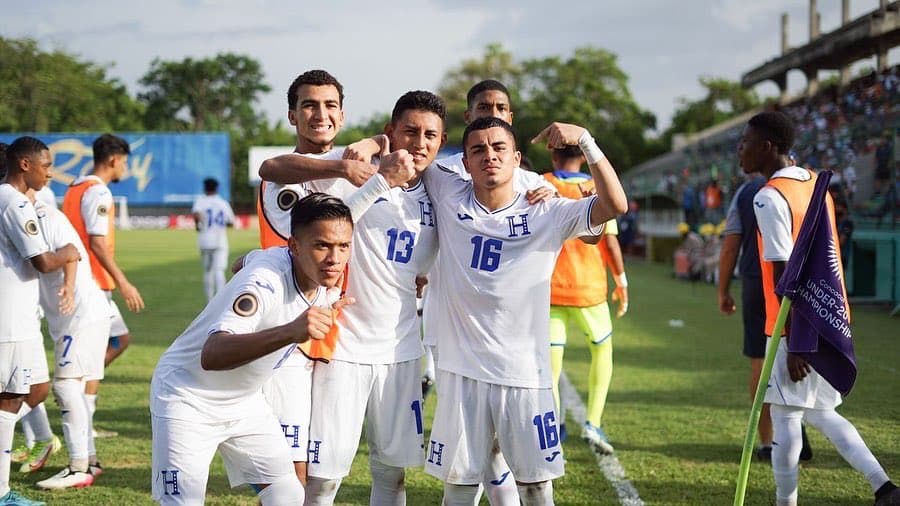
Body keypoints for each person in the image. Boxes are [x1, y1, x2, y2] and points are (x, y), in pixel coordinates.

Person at [422, 117, 627, 505]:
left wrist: (586, 140)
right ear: (463, 163)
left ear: (516, 158)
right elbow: (408, 149)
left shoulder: (546, 209)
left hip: (526, 377)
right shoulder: (446, 190)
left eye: (499, 148)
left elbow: (615, 205)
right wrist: (373, 143)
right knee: (460, 489)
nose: (489, 156)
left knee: (535, 488)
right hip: (462, 374)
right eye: (478, 150)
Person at [260, 90, 443, 505]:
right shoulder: (355, 172)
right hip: (342, 350)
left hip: (402, 351)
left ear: (441, 141)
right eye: (409, 131)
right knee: (323, 479)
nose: (418, 143)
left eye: (429, 135)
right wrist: (379, 171)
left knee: (392, 475)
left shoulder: (441, 190)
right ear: (390, 132)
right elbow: (280, 175)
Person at [150, 193, 354, 505]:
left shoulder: (317, 277)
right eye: (321, 245)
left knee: (287, 496)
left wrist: (252, 262)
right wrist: (291, 331)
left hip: (244, 404)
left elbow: (241, 261)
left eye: (343, 246)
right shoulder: (265, 282)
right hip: (186, 397)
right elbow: (213, 353)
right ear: (294, 246)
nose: (335, 259)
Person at [741, 111, 900, 506]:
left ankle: (785, 501)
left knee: (786, 415)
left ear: (768, 146)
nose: (739, 150)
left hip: (793, 324)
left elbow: (784, 273)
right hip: (827, 312)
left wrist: (797, 340)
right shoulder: (815, 183)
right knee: (820, 412)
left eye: (746, 142)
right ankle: (884, 487)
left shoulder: (768, 197)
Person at [1, 136, 81, 506]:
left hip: (23, 315)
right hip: (10, 317)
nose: (50, 172)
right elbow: (43, 262)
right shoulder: (13, 202)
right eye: (46, 165)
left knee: (35, 389)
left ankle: (40, 444)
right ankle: (1, 492)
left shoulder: (16, 200)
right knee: (9, 397)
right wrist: (68, 250)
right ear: (24, 165)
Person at [62, 133, 144, 472]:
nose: (125, 167)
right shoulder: (98, 191)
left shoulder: (74, 189)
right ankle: (81, 420)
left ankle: (82, 407)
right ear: (113, 159)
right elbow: (97, 242)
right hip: (94, 286)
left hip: (88, 284)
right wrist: (123, 280)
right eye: (125, 161)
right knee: (89, 363)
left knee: (119, 341)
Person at [543, 145, 629, 455]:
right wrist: (621, 282)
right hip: (590, 289)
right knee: (601, 350)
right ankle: (593, 422)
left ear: (553, 156)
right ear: (581, 156)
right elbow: (610, 242)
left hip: (550, 288)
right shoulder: (598, 188)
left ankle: (552, 428)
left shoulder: (541, 184)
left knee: (550, 367)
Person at [32, 190, 112, 490]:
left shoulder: (41, 216)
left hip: (79, 314)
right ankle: (89, 460)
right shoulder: (33, 212)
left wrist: (67, 285)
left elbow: (70, 251)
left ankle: (78, 467)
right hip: (84, 312)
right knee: (74, 386)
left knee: (66, 385)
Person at [717, 170, 773, 460]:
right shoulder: (809, 183)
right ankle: (794, 433)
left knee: (760, 361)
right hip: (800, 285)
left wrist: (722, 290)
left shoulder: (747, 192)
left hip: (758, 281)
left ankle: (767, 442)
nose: (740, 153)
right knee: (798, 356)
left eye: (745, 144)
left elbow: (730, 248)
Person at [191, 177, 235, 301]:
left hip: (204, 240)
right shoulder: (222, 203)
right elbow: (231, 222)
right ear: (217, 188)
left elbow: (196, 214)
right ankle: (219, 301)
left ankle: (209, 300)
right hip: (220, 241)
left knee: (207, 271)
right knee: (219, 271)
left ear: (205, 188)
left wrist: (198, 225)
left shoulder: (201, 201)